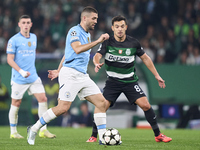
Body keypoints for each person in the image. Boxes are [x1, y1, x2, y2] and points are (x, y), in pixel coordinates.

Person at [27, 6, 109, 145]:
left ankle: (103, 139)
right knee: (63, 108)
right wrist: (98, 41)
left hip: (82, 76)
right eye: (94, 18)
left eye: (97, 19)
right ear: (84, 18)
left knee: (102, 103)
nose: (96, 21)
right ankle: (34, 128)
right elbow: (76, 49)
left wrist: (58, 70)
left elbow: (67, 53)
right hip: (70, 74)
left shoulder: (87, 34)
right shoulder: (74, 31)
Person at [86, 15, 172, 143]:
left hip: (130, 81)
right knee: (101, 106)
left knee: (146, 105)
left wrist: (157, 75)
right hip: (112, 82)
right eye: (117, 27)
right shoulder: (107, 42)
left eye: (122, 26)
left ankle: (158, 135)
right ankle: (93, 136)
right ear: (112, 28)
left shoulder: (134, 43)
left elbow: (146, 58)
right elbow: (97, 55)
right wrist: (97, 62)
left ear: (126, 27)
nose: (119, 29)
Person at [6, 15, 56, 139]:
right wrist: (21, 71)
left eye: (28, 22)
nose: (26, 25)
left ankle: (43, 130)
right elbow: (9, 59)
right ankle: (13, 132)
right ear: (19, 24)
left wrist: (28, 71)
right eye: (23, 22)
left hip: (33, 76)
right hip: (19, 78)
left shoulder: (34, 37)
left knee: (43, 99)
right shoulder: (13, 40)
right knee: (16, 103)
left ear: (31, 24)